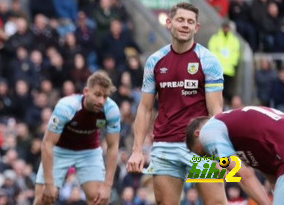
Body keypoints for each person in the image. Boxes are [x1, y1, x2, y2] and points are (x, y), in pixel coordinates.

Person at [126, 2, 227, 205]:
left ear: (197, 28)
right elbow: (145, 108)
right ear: (169, 23)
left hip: (201, 147)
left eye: (190, 22)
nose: (185, 25)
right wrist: (137, 150)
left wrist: (220, 153)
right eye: (180, 20)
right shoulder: (155, 61)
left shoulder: (208, 61)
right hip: (165, 147)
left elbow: (216, 111)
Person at [34, 71, 121, 205]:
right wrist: (49, 183)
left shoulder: (111, 110)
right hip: (60, 150)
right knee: (43, 199)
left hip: (89, 151)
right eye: (97, 94)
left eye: (105, 96)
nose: (101, 101)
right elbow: (47, 144)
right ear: (86, 91)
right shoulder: (66, 107)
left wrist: (107, 186)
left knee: (99, 199)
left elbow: (113, 147)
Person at [186, 105, 284, 205]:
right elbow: (272, 177)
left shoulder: (207, 133)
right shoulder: (241, 137)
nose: (210, 157)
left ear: (197, 133)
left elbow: (244, 176)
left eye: (203, 153)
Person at [208, 20, 240, 105]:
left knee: (228, 92)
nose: (226, 29)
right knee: (218, 92)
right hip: (218, 71)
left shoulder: (234, 40)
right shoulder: (215, 38)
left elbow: (235, 53)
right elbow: (212, 52)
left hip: (229, 70)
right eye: (225, 27)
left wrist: (233, 64)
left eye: (227, 27)